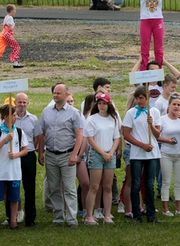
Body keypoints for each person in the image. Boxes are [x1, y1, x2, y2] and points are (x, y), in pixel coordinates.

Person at [39, 83, 84, 228]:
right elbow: (42, 133)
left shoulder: (74, 113)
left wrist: (74, 155)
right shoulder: (46, 111)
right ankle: (58, 218)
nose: (55, 95)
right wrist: (41, 152)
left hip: (67, 155)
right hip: (51, 154)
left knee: (69, 189)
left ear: (66, 95)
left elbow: (79, 136)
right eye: (54, 93)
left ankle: (72, 219)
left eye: (58, 93)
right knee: (54, 188)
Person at [122, 86, 161, 223]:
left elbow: (157, 134)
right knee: (136, 183)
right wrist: (142, 145)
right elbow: (126, 134)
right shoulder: (131, 113)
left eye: (141, 98)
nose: (138, 101)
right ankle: (136, 214)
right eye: (137, 98)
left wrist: (151, 125)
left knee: (149, 184)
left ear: (147, 98)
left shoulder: (154, 112)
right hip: (137, 154)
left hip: (152, 153)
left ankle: (151, 215)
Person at [83, 93, 120, 225]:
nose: (102, 106)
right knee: (94, 186)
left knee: (108, 186)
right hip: (96, 154)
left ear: (108, 104)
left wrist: (110, 152)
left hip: (110, 154)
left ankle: (107, 215)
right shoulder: (92, 119)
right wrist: (103, 153)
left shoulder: (113, 119)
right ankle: (89, 216)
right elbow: (90, 139)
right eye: (100, 103)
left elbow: (116, 137)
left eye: (104, 103)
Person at [158, 94, 180, 217]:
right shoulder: (162, 119)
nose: (176, 107)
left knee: (179, 182)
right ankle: (166, 208)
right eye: (174, 104)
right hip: (166, 154)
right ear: (169, 105)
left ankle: (179, 208)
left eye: (179, 104)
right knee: (166, 181)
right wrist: (167, 140)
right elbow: (157, 136)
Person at [10, 93, 42, 227]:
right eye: (19, 102)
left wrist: (33, 149)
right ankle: (12, 216)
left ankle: (30, 218)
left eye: (24, 102)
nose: (22, 105)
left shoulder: (33, 119)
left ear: (28, 103)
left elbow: (36, 138)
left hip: (28, 156)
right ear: (15, 103)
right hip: (12, 157)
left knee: (30, 187)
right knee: (12, 186)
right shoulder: (9, 119)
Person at [128, 0, 167, 70]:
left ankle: (158, 70)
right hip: (145, 21)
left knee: (158, 49)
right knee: (144, 49)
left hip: (158, 21)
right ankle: (144, 71)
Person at [0, 104, 28, 230]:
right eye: (13, 115)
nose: (16, 117)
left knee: (14, 196)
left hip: (14, 170)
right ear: (6, 117)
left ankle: (13, 221)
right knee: (3, 194)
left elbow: (25, 150)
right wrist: (5, 139)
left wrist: (17, 154)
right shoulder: (1, 131)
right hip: (1, 170)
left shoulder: (19, 131)